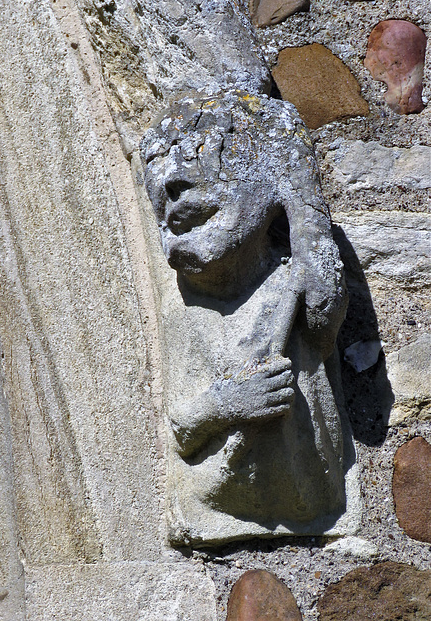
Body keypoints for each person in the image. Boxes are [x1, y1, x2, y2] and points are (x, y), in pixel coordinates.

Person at [140, 90, 352, 545]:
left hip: (309, 490)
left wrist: (295, 181)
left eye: (204, 158)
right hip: (221, 494)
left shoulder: (292, 284)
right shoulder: (188, 317)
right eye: (165, 216)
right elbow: (182, 425)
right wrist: (227, 401)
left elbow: (322, 302)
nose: (170, 195)